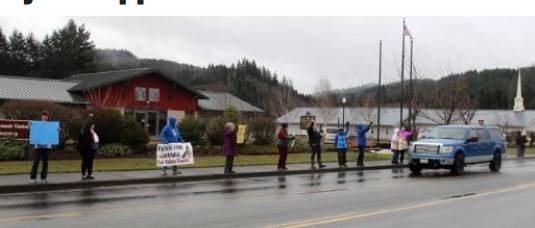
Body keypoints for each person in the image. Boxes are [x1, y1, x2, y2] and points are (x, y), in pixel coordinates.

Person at [30, 111, 52, 184]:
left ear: (47, 117)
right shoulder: (36, 125)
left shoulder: (50, 125)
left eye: (46, 116)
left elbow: (53, 134)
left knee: (45, 163)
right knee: (36, 162)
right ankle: (33, 178)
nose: (44, 117)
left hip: (47, 146)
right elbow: (31, 132)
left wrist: (57, 130)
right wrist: (30, 125)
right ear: (41, 116)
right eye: (43, 116)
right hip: (38, 146)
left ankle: (43, 178)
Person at [78, 114, 99, 180]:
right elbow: (81, 139)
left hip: (93, 149)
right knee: (85, 161)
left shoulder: (94, 132)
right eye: (92, 125)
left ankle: (89, 174)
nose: (93, 126)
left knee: (90, 162)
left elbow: (96, 140)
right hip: (86, 149)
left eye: (94, 125)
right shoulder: (85, 131)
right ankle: (83, 174)